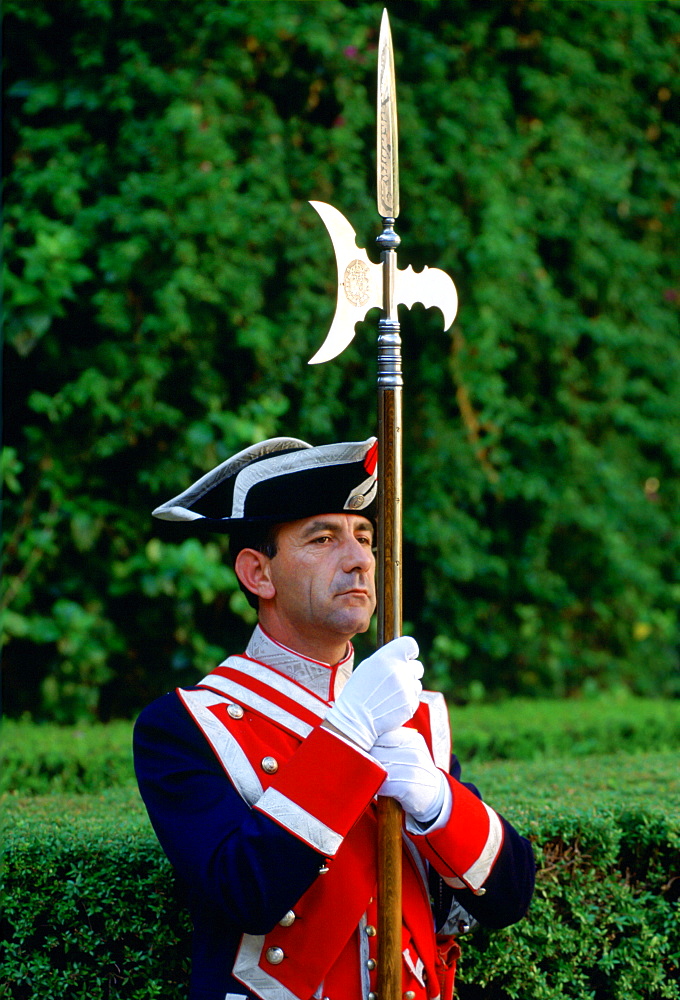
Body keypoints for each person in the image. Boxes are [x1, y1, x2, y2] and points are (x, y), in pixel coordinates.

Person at [134, 435, 535, 1000]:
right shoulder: (184, 726)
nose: (358, 559)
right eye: (323, 539)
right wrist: (346, 738)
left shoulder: (411, 715)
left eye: (365, 536)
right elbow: (242, 891)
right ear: (258, 574)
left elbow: (511, 896)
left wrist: (439, 804)